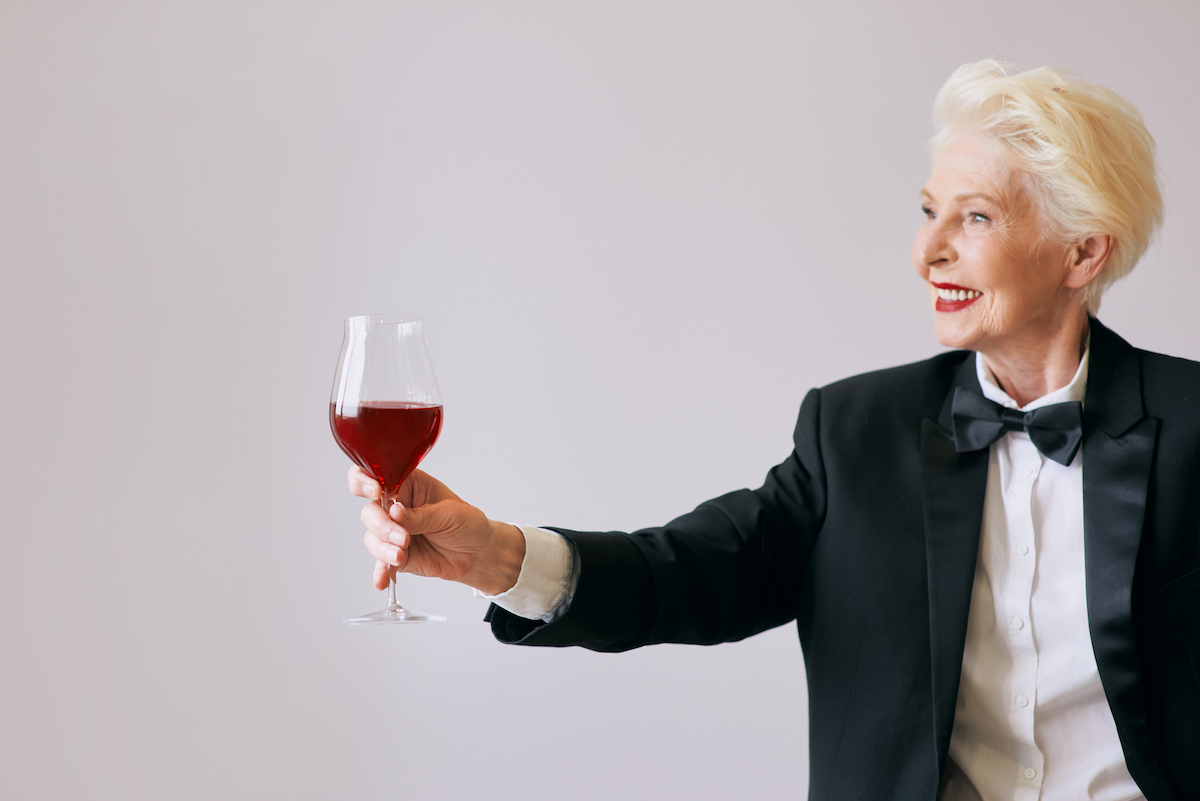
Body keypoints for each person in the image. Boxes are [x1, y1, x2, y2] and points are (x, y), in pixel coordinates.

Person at [349, 61, 1200, 800]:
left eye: (974, 218)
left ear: (1083, 253)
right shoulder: (855, 431)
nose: (926, 251)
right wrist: (493, 554)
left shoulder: (1194, 425)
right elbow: (688, 571)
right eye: (929, 211)